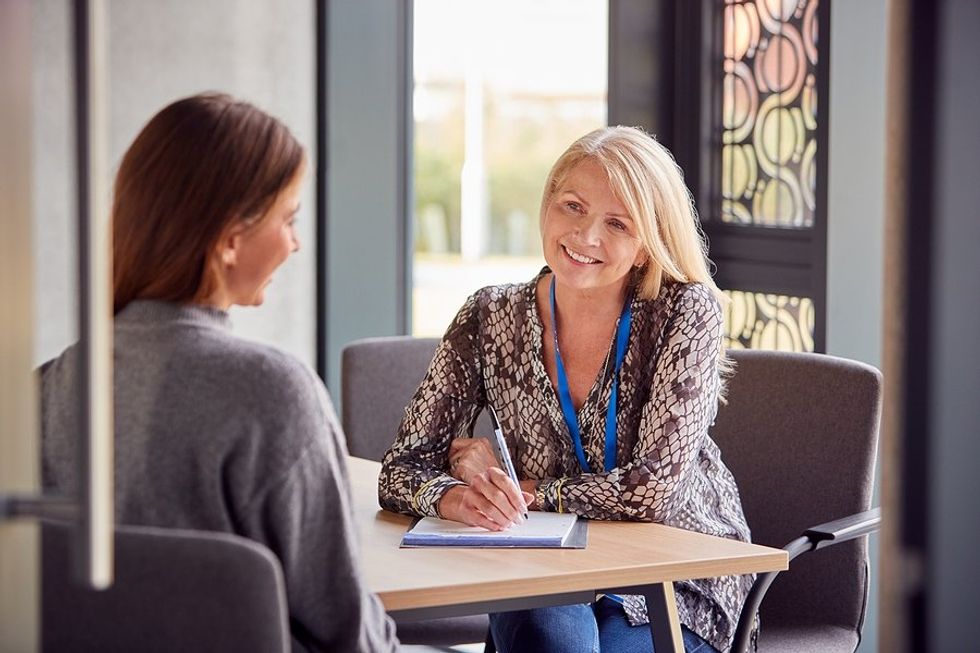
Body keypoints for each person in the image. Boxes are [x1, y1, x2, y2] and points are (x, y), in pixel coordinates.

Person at [41, 93, 398, 653]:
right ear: (231, 238)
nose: (294, 242)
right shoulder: (270, 395)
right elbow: (348, 634)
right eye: (288, 218)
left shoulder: (46, 390)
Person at [379, 126, 753, 653]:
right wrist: (459, 496)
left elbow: (650, 493)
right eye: (573, 206)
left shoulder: (684, 312)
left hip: (667, 574)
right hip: (543, 559)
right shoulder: (490, 314)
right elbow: (399, 469)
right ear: (547, 204)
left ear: (648, 244)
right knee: (548, 634)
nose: (586, 237)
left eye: (617, 223)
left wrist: (526, 488)